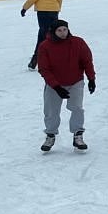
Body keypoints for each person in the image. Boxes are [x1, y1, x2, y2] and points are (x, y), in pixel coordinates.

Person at [35, 18, 95, 153]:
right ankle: (50, 135)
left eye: (65, 30)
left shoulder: (78, 42)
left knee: (77, 108)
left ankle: (78, 135)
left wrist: (91, 78)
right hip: (54, 84)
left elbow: (87, 61)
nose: (63, 33)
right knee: (51, 112)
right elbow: (44, 69)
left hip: (75, 82)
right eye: (59, 30)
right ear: (53, 32)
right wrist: (56, 86)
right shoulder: (45, 46)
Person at [20, 0, 65, 68]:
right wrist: (57, 8)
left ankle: (36, 59)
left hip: (44, 12)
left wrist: (25, 7)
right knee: (52, 34)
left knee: (43, 35)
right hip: (54, 10)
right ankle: (54, 58)